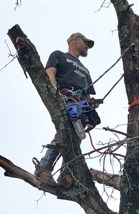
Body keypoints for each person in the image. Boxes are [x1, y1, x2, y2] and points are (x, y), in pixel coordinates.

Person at [34, 32, 98, 187]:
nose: (87, 47)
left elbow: (88, 92)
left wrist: (91, 103)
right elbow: (50, 72)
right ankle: (44, 167)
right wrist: (55, 92)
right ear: (75, 41)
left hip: (81, 104)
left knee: (74, 138)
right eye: (85, 43)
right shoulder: (59, 55)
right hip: (66, 96)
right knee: (68, 128)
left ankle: (66, 174)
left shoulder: (85, 70)